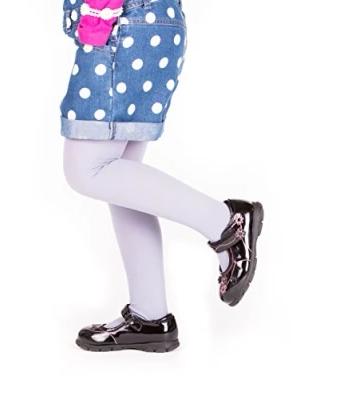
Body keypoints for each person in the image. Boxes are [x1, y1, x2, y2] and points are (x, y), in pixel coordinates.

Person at [60, 0, 264, 353]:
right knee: (122, 182)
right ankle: (150, 315)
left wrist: (95, 21)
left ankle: (226, 223)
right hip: (146, 27)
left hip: (121, 26)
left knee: (86, 170)